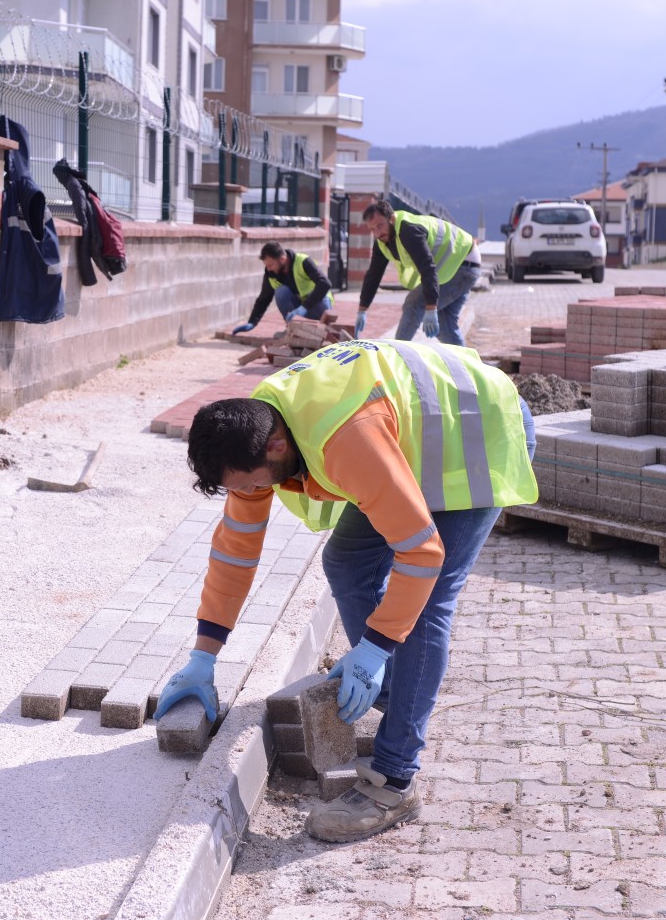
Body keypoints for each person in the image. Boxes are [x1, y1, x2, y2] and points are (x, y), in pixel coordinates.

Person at [154, 337, 538, 843]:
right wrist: (204, 657)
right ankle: (402, 696)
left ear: (275, 448)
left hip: (473, 431)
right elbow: (236, 552)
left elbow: (421, 554)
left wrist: (375, 647)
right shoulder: (259, 430)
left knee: (424, 607)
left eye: (249, 485)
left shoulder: (342, 439)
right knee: (347, 560)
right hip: (406, 438)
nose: (249, 496)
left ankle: (394, 781)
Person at [353, 201, 480, 346]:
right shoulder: (382, 241)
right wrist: (362, 309)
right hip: (461, 264)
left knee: (414, 304)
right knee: (445, 326)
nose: (376, 233)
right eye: (372, 229)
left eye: (380, 226)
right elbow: (373, 275)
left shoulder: (409, 231)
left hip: (462, 264)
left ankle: (397, 354)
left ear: (392, 219)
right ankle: (465, 366)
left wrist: (430, 306)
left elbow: (427, 268)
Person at [229, 242, 334, 336]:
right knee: (281, 292)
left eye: (270, 264)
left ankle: (324, 331)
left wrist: (305, 307)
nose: (268, 268)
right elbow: (263, 299)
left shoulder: (303, 262)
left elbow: (325, 283)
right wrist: (252, 322)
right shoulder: (271, 273)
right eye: (266, 265)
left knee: (322, 300)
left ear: (282, 259)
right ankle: (292, 331)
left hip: (318, 307)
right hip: (298, 311)